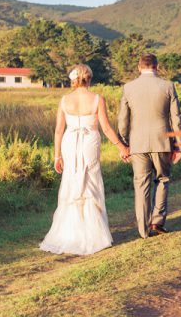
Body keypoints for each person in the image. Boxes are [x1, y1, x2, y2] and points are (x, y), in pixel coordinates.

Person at [40, 64, 130, 255]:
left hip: (70, 142)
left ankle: (69, 234)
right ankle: (93, 234)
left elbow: (58, 130)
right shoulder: (97, 99)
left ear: (73, 79)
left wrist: (57, 155)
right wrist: (121, 147)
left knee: (72, 179)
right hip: (89, 140)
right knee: (90, 180)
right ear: (89, 78)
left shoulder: (65, 100)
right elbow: (106, 128)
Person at [118, 54, 181, 238]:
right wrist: (178, 145)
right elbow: (176, 118)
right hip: (162, 141)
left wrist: (124, 143)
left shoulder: (128, 88)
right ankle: (157, 221)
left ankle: (143, 230)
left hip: (137, 143)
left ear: (139, 67)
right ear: (157, 67)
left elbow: (123, 119)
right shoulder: (168, 86)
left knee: (141, 185)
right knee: (163, 179)